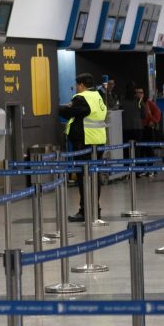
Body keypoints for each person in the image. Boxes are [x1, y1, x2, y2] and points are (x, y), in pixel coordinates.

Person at [59, 72, 107, 222]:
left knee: (83, 177)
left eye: (77, 85)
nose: (76, 88)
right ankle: (95, 210)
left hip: (85, 142)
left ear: (81, 85)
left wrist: (58, 108)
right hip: (98, 141)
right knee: (94, 176)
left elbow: (68, 112)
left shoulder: (82, 98)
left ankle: (85, 211)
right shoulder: (98, 96)